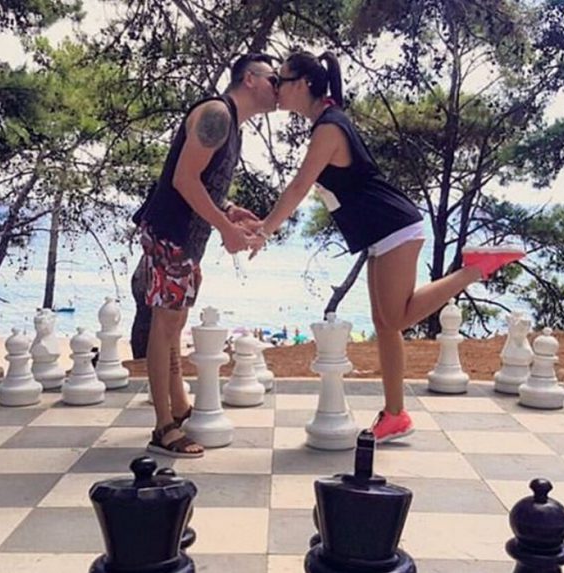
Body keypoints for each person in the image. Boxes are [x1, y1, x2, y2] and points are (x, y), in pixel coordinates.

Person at [250, 51, 525, 443]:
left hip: (394, 226)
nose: (276, 88)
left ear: (304, 84)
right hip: (382, 231)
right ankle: (396, 414)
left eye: (281, 80)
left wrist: (265, 230)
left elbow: (298, 187)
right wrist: (262, 225)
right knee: (384, 324)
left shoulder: (329, 127)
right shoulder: (327, 121)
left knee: (394, 319)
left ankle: (475, 269)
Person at [131, 54, 279, 458]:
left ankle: (178, 408)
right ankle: (163, 427)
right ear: (250, 79)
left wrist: (229, 211)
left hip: (185, 238)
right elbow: (183, 179)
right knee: (165, 325)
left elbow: (200, 181)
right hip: (171, 233)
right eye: (273, 78)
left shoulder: (231, 124)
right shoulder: (217, 114)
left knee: (173, 323)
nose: (278, 87)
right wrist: (225, 229)